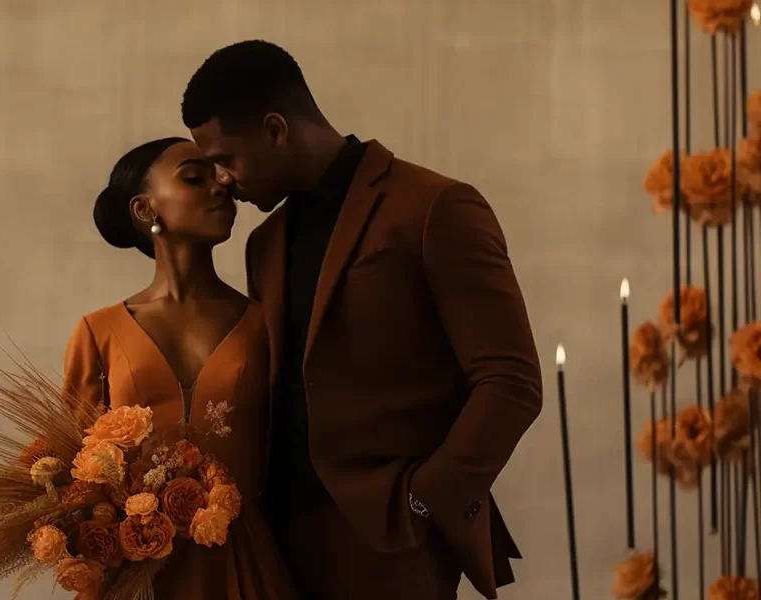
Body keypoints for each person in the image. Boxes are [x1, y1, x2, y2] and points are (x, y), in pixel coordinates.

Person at [181, 40, 543, 600]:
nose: (223, 180)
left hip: (392, 538)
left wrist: (422, 501)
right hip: (275, 545)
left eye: (227, 159)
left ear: (276, 128)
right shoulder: (264, 243)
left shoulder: (435, 206)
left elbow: (511, 382)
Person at [61, 137, 297, 599]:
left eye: (221, 176)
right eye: (195, 177)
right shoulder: (98, 332)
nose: (221, 186)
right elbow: (74, 475)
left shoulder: (265, 325)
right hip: (136, 574)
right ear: (145, 209)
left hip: (243, 567)